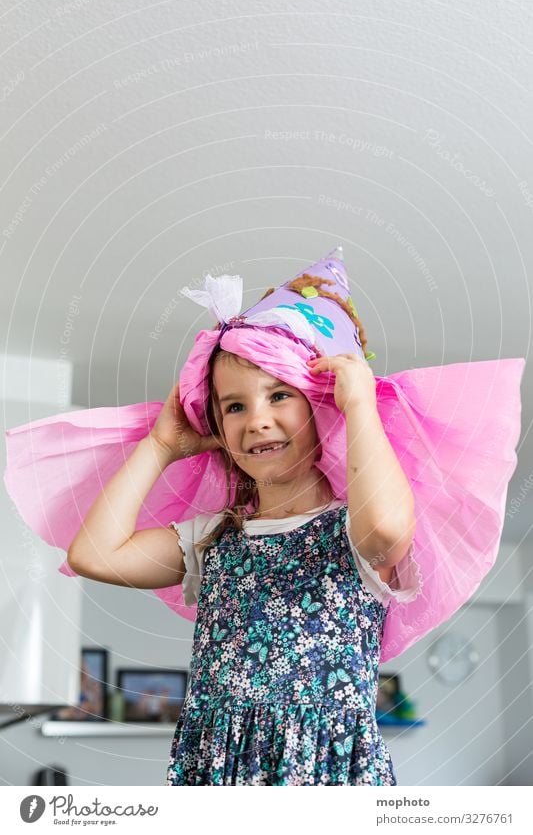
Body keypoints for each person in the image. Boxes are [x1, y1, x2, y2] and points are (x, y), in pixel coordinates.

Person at [4, 246, 525, 785]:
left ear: (321, 406)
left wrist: (360, 405)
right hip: (219, 774)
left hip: (323, 777)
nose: (257, 421)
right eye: (234, 406)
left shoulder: (354, 529)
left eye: (279, 395)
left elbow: (389, 530)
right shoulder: (212, 538)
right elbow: (93, 554)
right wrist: (160, 444)